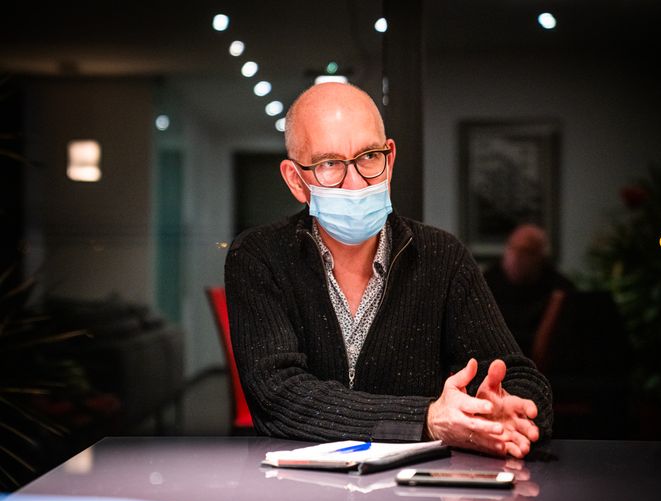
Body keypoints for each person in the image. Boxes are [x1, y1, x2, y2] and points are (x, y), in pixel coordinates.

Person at [225, 82, 552, 458]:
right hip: (294, 485)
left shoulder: (442, 257)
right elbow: (277, 397)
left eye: (368, 156)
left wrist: (504, 411)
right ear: (296, 180)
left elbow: (522, 381)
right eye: (329, 164)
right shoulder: (259, 256)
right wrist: (426, 419)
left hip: (416, 484)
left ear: (390, 158)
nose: (355, 183)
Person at [483, 224, 576, 357]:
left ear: (540, 256)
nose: (516, 256)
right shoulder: (487, 281)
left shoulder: (560, 287)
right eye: (512, 248)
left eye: (525, 251)